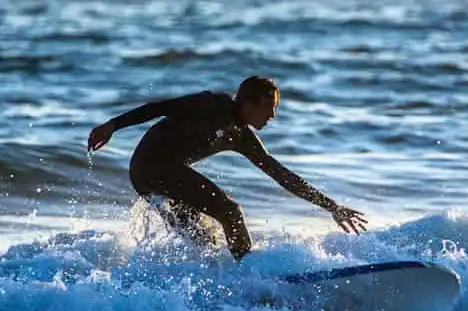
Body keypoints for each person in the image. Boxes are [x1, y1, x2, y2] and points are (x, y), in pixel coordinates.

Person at [86, 76, 367, 261]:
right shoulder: (211, 105)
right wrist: (113, 125)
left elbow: (281, 175)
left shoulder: (243, 137)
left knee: (206, 239)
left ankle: (215, 287)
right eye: (268, 107)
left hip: (159, 176)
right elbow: (160, 108)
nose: (272, 115)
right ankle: (249, 273)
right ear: (248, 102)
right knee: (231, 212)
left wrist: (331, 206)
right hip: (151, 166)